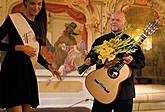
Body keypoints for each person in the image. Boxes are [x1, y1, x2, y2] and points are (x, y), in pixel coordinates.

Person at [0, 0, 62, 112]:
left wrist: (49, 67)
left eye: (39, 4)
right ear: (25, 3)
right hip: (12, 71)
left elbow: (34, 52)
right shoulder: (14, 19)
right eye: (33, 3)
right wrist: (19, 47)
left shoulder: (39, 23)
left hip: (27, 73)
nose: (36, 7)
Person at [84, 11, 145, 112]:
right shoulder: (100, 40)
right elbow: (90, 58)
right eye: (112, 20)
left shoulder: (131, 43)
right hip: (102, 89)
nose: (114, 22)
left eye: (118, 20)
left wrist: (132, 61)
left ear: (124, 23)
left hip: (124, 92)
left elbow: (141, 62)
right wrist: (88, 61)